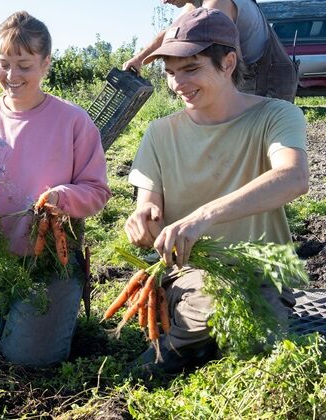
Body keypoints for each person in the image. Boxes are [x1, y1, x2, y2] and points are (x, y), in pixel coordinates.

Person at [124, 8, 308, 375]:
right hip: (190, 271)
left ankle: (188, 349)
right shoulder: (160, 132)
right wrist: (141, 219)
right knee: (211, 308)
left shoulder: (276, 115)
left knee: (259, 345)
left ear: (228, 62)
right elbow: (149, 206)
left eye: (191, 69)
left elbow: (293, 177)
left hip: (263, 270)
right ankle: (169, 354)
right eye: (171, 73)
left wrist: (202, 216)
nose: (178, 84)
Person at [0, 11, 111, 367]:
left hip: (50, 258)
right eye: (4, 64)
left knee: (30, 359)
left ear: (46, 64)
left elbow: (97, 191)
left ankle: (47, 316)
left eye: (24, 65)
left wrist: (62, 198)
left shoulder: (73, 122)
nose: (12, 76)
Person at [123, 0, 298, 102]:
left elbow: (223, 65)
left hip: (267, 77)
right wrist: (139, 59)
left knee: (256, 146)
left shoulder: (217, 5)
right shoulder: (197, 5)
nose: (163, 1)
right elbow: (171, 32)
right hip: (245, 72)